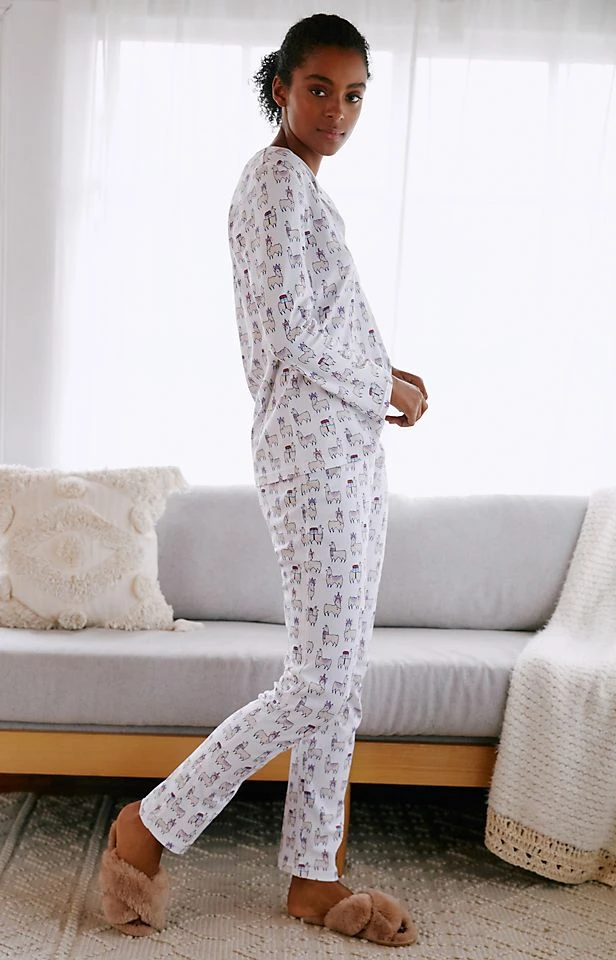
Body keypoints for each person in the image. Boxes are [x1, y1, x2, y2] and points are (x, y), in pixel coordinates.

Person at [99, 12, 427, 947]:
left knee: (339, 679)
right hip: (312, 457)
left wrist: (385, 375)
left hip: (349, 454)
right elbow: (292, 336)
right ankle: (148, 824)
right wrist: (385, 382)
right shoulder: (274, 181)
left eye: (354, 95)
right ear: (280, 87)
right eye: (319, 89)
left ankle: (315, 876)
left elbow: (319, 326)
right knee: (319, 680)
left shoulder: (306, 190)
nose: (337, 110)